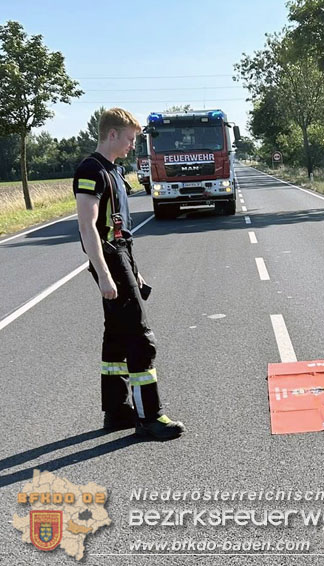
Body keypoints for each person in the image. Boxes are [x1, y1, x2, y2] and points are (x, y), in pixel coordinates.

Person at [73, 107, 185, 440]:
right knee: (140, 336)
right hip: (108, 257)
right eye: (129, 139)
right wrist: (106, 275)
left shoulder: (113, 170)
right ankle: (149, 417)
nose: (132, 146)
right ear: (112, 134)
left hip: (120, 256)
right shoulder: (91, 170)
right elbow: (87, 226)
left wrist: (135, 271)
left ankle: (117, 411)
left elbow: (121, 228)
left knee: (117, 335)